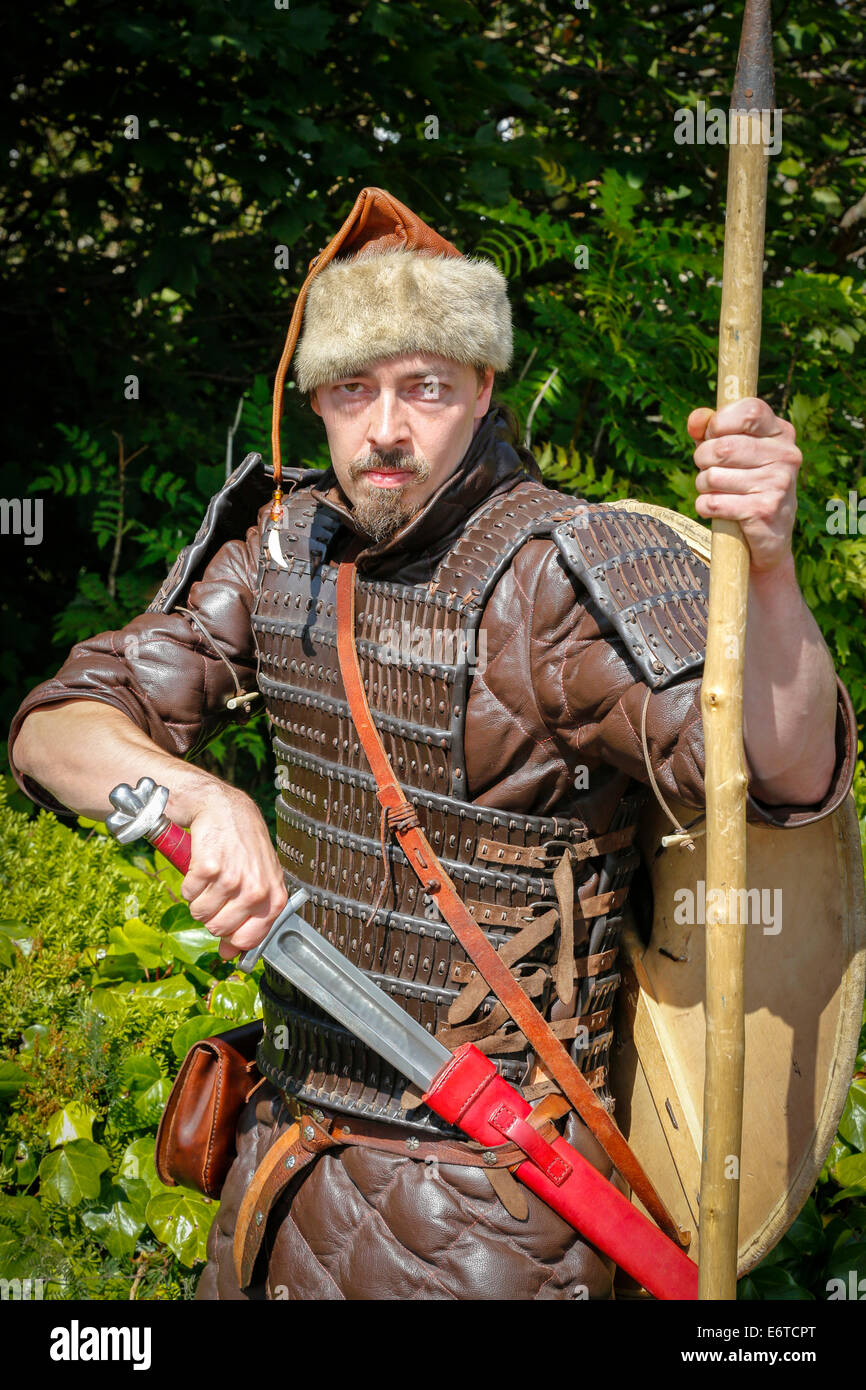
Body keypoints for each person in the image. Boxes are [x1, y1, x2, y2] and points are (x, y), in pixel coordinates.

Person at [9, 188, 855, 1300]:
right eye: (353, 390)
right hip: (280, 1171)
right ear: (314, 397)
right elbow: (54, 727)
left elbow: (779, 779)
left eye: (425, 388)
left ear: (483, 386)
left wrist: (771, 564)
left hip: (495, 1209)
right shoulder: (280, 551)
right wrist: (189, 796)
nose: (387, 429)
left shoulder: (559, 576)